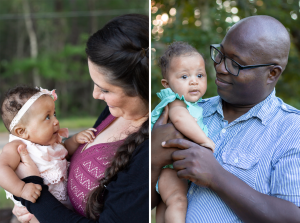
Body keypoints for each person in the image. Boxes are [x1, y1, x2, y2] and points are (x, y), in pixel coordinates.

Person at [152, 15, 300, 222]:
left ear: (272, 74)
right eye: (220, 55)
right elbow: (144, 201)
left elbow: (293, 217)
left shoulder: (292, 130)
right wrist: (152, 161)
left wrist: (217, 177)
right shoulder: (189, 111)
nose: (220, 68)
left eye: (235, 64)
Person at [12, 13, 149, 223]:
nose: (95, 95)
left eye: (105, 89)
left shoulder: (147, 154)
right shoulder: (113, 112)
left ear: (140, 88)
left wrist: (33, 196)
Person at [0, 86, 97, 223]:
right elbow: (2, 168)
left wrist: (75, 140)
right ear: (22, 132)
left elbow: (64, 151)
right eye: (47, 117)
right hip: (37, 214)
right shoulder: (18, 147)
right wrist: (21, 189)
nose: (56, 121)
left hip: (63, 212)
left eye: (54, 114)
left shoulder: (51, 142)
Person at [151, 42, 215, 223]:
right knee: (178, 201)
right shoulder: (176, 102)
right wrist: (205, 140)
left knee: (167, 204)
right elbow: (179, 119)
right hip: (168, 169)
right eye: (184, 76)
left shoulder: (191, 105)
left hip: (172, 167)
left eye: (200, 75)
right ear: (167, 84)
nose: (194, 81)